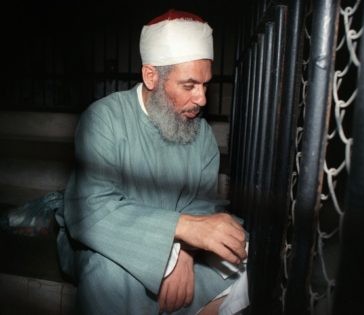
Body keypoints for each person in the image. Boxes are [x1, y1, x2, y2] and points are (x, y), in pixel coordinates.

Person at [55, 9, 248, 315]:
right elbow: (89, 209)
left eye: (205, 84)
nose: (202, 99)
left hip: (183, 245)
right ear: (151, 76)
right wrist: (177, 235)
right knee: (109, 274)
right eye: (189, 85)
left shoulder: (203, 135)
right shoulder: (104, 119)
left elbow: (201, 206)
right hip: (110, 240)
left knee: (242, 248)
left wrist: (182, 252)